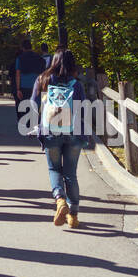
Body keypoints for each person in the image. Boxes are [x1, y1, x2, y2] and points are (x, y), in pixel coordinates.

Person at [34, 49, 86, 228]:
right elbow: (83, 109)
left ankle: (60, 200)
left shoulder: (43, 80)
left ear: (53, 62)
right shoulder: (76, 84)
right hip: (73, 132)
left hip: (51, 131)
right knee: (71, 174)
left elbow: (33, 103)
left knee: (54, 169)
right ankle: (73, 216)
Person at [14, 38, 44, 109]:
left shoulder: (20, 58)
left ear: (23, 48)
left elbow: (18, 74)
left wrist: (18, 89)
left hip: (24, 87)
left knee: (25, 110)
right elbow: (42, 74)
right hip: (36, 86)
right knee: (35, 109)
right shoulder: (39, 58)